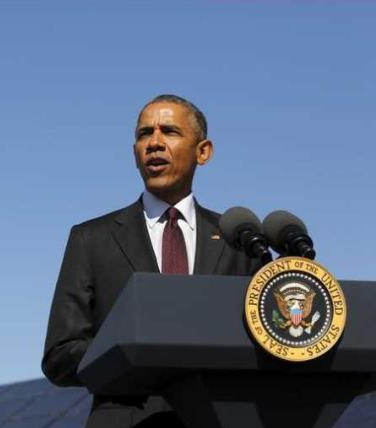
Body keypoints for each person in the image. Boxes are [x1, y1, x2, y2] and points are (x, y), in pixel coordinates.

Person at [41, 94, 262, 428]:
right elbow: (60, 354)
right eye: (145, 134)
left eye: (169, 131)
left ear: (203, 151)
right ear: (134, 154)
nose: (154, 143)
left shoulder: (239, 239)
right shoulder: (91, 239)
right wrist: (129, 354)